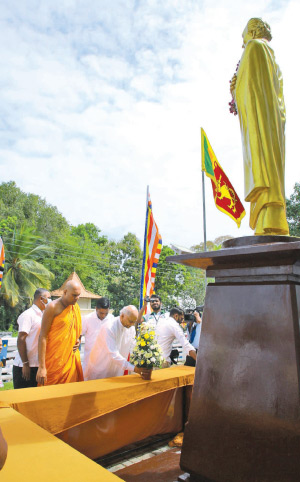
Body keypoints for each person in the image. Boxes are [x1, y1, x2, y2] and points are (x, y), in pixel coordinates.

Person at [230, 18, 289, 235]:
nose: (242, 43)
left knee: (264, 164)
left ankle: (270, 216)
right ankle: (270, 217)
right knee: (272, 169)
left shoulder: (255, 47)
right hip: (272, 122)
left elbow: (251, 92)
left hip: (263, 123)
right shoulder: (274, 62)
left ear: (253, 32)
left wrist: (237, 92)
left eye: (243, 36)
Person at [36, 280, 83, 386]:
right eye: (74, 295)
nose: (77, 298)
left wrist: (78, 341)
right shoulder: (52, 307)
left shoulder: (75, 307)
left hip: (69, 361)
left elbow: (77, 330)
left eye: (78, 295)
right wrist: (42, 367)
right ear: (65, 292)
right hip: (54, 362)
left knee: (69, 396)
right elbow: (42, 336)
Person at [85, 305, 148, 380]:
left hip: (117, 370)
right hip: (101, 369)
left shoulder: (130, 328)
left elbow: (132, 347)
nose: (132, 325)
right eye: (130, 321)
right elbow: (113, 354)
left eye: (134, 322)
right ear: (122, 316)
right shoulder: (109, 327)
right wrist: (134, 369)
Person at [13, 288, 51, 389]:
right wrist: (25, 364)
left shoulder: (43, 315)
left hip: (37, 365)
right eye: (48, 298)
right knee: (23, 398)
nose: (50, 301)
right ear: (41, 298)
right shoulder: (28, 315)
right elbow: (21, 339)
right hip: (24, 366)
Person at [81, 297, 114, 379]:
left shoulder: (111, 319)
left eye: (106, 313)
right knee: (88, 382)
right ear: (96, 308)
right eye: (101, 313)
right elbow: (79, 334)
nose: (103, 316)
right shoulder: (87, 319)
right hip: (89, 359)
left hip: (105, 360)